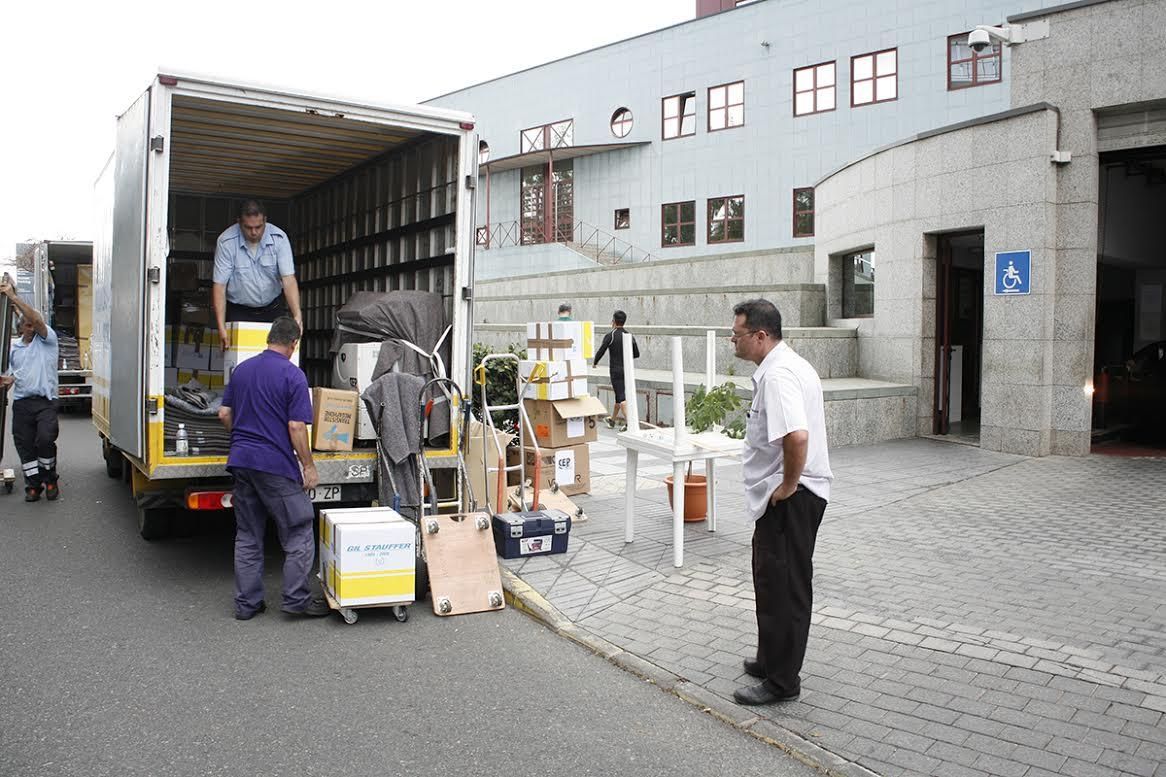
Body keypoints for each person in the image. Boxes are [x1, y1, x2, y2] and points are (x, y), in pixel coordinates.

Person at [729, 299, 832, 706]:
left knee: (784, 588)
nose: (732, 341)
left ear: (760, 336)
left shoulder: (779, 376)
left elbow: (797, 437)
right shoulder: (781, 367)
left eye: (737, 335)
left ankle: (782, 681)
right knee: (771, 582)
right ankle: (771, 658)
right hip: (785, 495)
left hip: (792, 497)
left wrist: (788, 485)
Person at [218, 316, 328, 620]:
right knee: (299, 530)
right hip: (275, 465)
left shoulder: (241, 371)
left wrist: (242, 437)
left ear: (269, 339)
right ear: (293, 344)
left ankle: (247, 605)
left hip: (241, 463)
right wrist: (309, 466)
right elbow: (295, 426)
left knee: (248, 535)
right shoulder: (293, 376)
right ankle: (295, 600)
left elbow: (224, 413)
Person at [212, 200, 303, 352]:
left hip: (272, 308)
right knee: (239, 360)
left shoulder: (279, 238)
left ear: (265, 221)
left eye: (258, 227)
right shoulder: (226, 242)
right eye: (248, 227)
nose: (254, 232)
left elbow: (288, 280)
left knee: (275, 358)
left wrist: (297, 316)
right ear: (239, 222)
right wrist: (221, 327)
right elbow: (220, 286)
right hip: (238, 311)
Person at [1, 279, 61, 502]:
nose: (32, 326)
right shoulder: (14, 348)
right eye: (28, 324)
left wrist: (13, 297)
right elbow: (12, 375)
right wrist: (7, 381)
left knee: (45, 440)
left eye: (34, 323)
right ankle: (33, 485)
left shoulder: (47, 340)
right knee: (25, 446)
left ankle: (50, 479)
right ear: (21, 327)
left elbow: (35, 317)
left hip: (45, 402)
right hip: (22, 403)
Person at [592, 310, 639, 431]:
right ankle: (612, 420)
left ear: (613, 321)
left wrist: (595, 362)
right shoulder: (629, 335)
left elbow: (601, 350)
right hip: (627, 370)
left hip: (616, 371)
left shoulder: (611, 336)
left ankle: (630, 424)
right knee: (619, 396)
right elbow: (636, 354)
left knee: (622, 398)